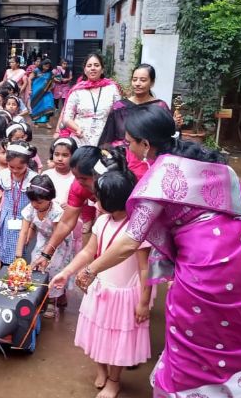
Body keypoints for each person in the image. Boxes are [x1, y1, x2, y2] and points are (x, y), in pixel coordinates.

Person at [56, 105, 241, 397]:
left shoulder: (158, 180)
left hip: (205, 269)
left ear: (146, 144)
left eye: (130, 141)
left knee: (195, 341)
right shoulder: (207, 162)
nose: (127, 147)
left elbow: (131, 241)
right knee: (233, 334)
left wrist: (91, 269)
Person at [55, 150, 153, 398]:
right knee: (97, 332)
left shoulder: (136, 230)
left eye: (96, 197)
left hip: (124, 295)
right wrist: (66, 272)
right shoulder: (102, 221)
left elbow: (145, 268)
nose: (93, 200)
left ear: (109, 201)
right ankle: (101, 369)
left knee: (118, 340)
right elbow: (89, 251)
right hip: (100, 288)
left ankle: (114, 379)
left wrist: (143, 301)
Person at [13, 175, 73, 318]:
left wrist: (48, 254)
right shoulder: (30, 208)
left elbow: (57, 235)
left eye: (39, 202)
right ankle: (43, 294)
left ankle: (52, 300)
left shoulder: (56, 212)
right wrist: (18, 256)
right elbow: (23, 232)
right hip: (42, 238)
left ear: (50, 198)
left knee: (54, 268)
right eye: (32, 201)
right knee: (35, 262)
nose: (35, 205)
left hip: (59, 242)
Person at [99, 64, 181, 153]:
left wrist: (176, 125)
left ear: (152, 82)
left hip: (150, 157)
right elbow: (107, 137)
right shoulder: (119, 107)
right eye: (134, 80)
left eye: (143, 80)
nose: (137, 83)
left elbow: (166, 136)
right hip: (121, 157)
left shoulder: (160, 106)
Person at [59, 53, 121, 146]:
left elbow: (120, 113)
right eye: (89, 66)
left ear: (102, 69)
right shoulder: (77, 90)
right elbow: (67, 117)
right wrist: (77, 129)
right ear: (85, 70)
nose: (93, 68)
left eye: (96, 65)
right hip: (80, 139)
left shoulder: (112, 88)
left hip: (105, 140)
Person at [0, 142, 38, 267]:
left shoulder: (33, 179)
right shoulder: (3, 175)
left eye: (19, 167)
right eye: (11, 167)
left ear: (27, 163)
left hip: (26, 221)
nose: (15, 171)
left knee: (23, 254)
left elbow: (36, 206)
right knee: (5, 252)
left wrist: (32, 227)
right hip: (6, 218)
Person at [42, 137, 78, 206]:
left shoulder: (77, 177)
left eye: (65, 155)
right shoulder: (46, 175)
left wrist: (72, 204)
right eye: (56, 154)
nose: (60, 159)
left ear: (73, 156)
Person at [29, 59, 56, 126]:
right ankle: (36, 121)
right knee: (37, 106)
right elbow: (29, 79)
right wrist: (30, 89)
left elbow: (52, 82)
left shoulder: (50, 73)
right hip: (36, 92)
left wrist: (50, 88)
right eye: (46, 65)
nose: (47, 67)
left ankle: (47, 122)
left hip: (46, 92)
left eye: (48, 66)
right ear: (42, 65)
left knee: (48, 106)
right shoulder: (36, 71)